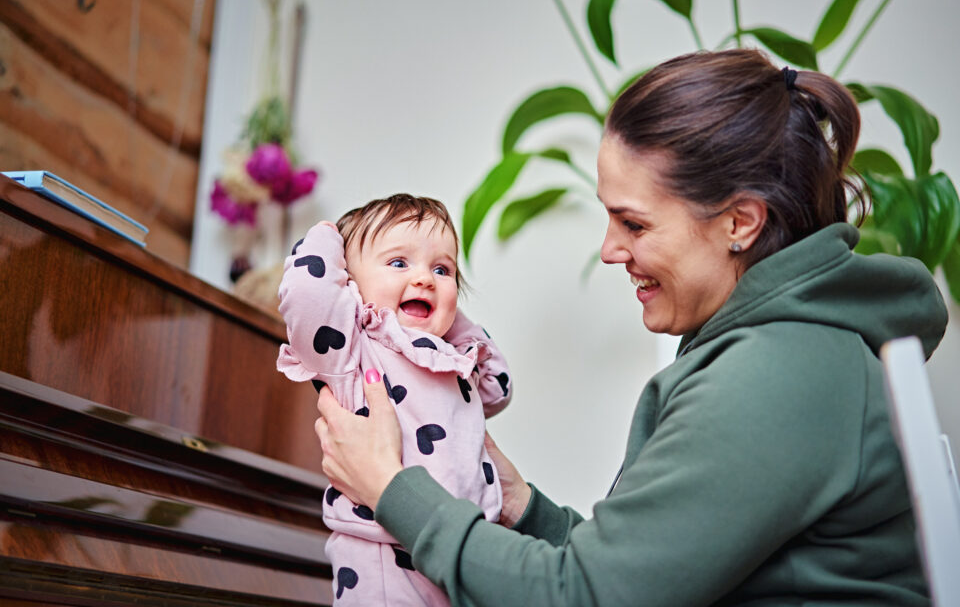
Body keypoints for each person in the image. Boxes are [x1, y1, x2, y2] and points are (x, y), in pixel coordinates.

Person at [312, 50, 948, 606]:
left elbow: (584, 598)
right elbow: (637, 577)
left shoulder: (780, 369)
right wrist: (519, 506)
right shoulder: (786, 349)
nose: (610, 249)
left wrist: (393, 488)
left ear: (740, 223)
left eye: (635, 224)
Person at [276, 194, 512, 605]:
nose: (424, 279)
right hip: (383, 557)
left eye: (442, 269)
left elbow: (499, 386)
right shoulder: (351, 351)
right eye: (399, 263)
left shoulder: (452, 359)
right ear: (350, 285)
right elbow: (304, 294)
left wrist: (450, 320)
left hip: (462, 548)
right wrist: (329, 234)